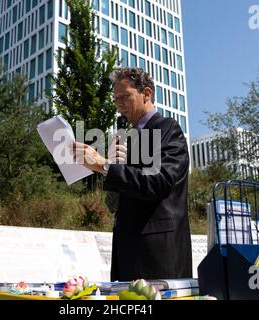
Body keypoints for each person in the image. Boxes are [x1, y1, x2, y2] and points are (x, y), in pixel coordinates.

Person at [73, 67, 192, 281]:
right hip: (126, 257)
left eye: (125, 96)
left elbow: (159, 182)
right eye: (116, 98)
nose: (119, 104)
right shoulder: (128, 139)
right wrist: (111, 165)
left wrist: (104, 166)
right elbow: (113, 205)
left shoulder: (168, 129)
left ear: (146, 94)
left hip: (157, 259)